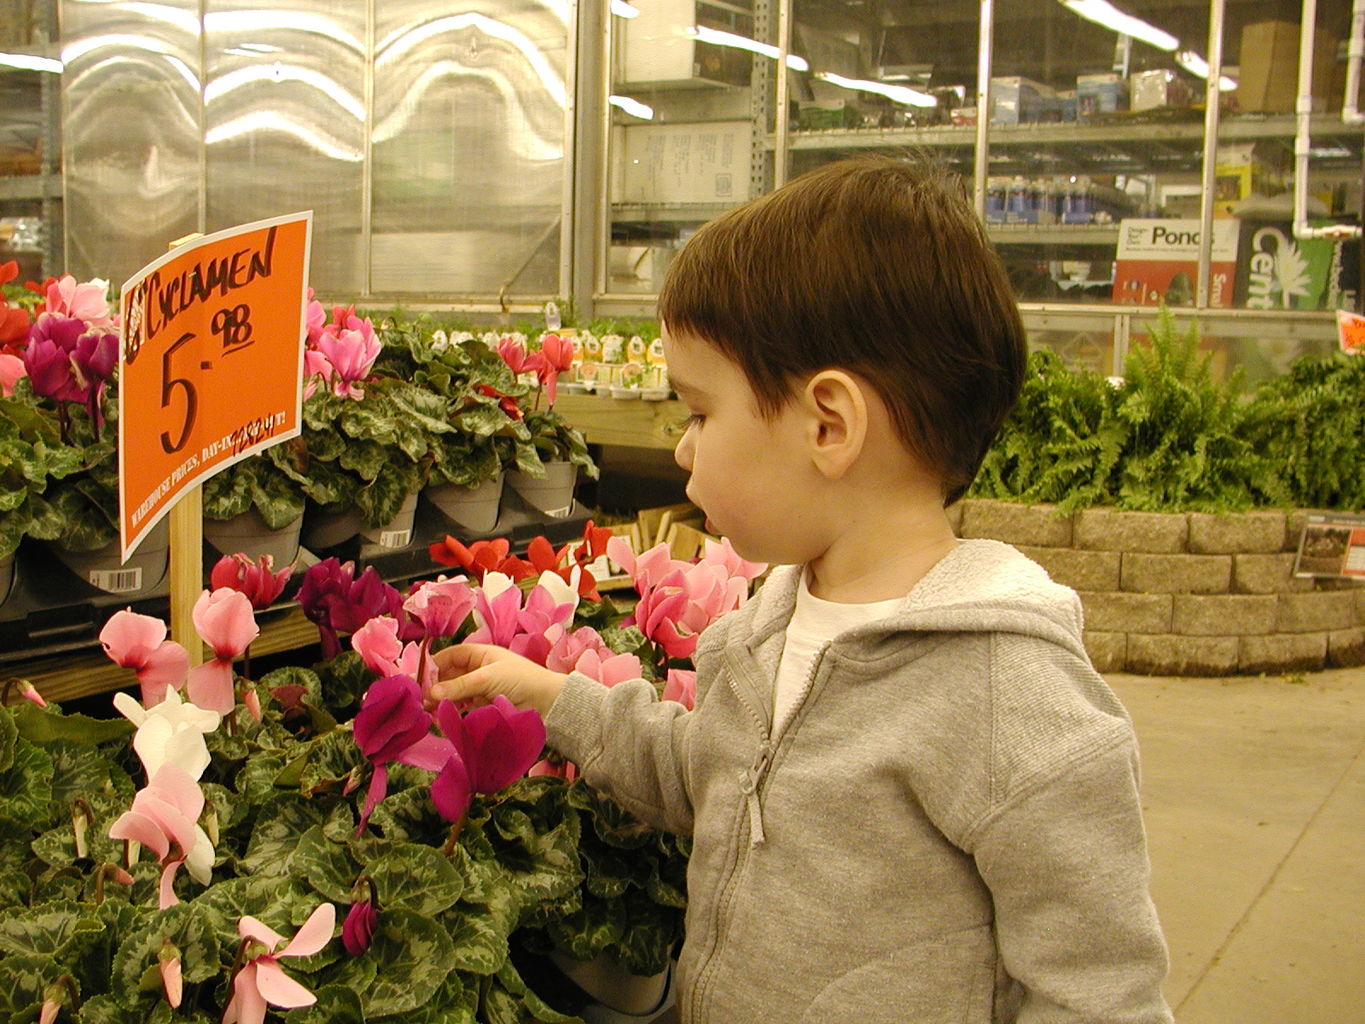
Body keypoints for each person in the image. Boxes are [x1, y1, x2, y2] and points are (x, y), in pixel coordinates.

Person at [432, 155, 1173, 1024]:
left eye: (700, 412)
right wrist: (554, 696)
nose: (680, 449)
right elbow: (705, 773)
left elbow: (1099, 993)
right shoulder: (773, 623)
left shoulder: (1012, 701)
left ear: (828, 425)